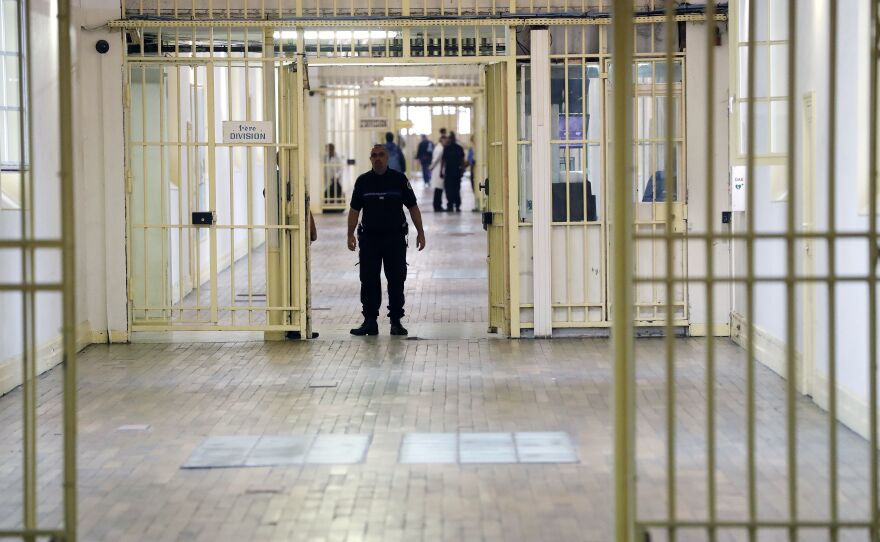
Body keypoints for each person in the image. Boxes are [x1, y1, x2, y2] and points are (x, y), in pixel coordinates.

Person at [347, 144, 426, 336]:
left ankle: (396, 321)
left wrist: (421, 232)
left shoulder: (399, 180)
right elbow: (354, 210)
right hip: (370, 239)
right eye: (374, 155)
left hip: (394, 238)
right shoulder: (363, 182)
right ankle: (370, 321)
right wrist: (349, 234)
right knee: (368, 280)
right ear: (370, 159)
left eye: (381, 155)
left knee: (396, 279)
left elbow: (413, 207)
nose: (377, 158)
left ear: (388, 157)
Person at [442, 131, 466, 212]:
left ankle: (451, 205)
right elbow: (462, 160)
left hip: (450, 172)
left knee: (450, 189)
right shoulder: (458, 148)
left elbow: (443, 161)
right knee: (456, 189)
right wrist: (462, 171)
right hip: (455, 172)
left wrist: (441, 172)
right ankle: (456, 205)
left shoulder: (447, 148)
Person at [429, 129, 447, 211]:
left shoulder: (438, 147)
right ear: (442, 140)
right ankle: (437, 206)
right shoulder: (441, 149)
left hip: (437, 170)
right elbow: (436, 159)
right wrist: (431, 167)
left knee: (438, 189)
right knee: (438, 189)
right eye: (445, 140)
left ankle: (437, 205)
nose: (446, 142)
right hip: (438, 170)